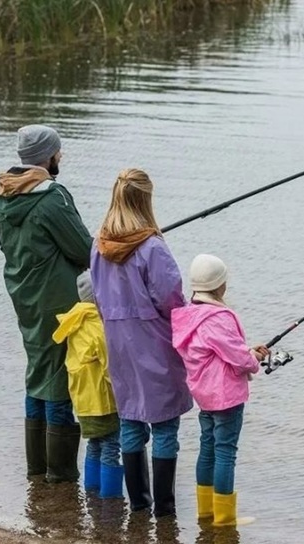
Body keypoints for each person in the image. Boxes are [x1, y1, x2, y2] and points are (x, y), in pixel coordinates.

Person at [90, 168, 193, 518]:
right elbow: (172, 300)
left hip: (118, 342)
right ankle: (164, 511)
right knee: (164, 425)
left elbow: (98, 296)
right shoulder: (152, 248)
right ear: (145, 199)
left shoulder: (98, 245)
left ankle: (138, 506)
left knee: (130, 421)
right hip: (154, 341)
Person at [0, 124, 92, 483]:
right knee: (59, 379)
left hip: (24, 296)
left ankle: (37, 470)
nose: (60, 156)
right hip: (58, 300)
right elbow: (83, 251)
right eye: (58, 151)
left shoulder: (3, 195)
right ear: (48, 156)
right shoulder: (51, 197)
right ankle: (60, 475)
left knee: (37, 373)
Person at [171, 254, 269, 526]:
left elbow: (216, 352)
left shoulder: (188, 316)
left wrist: (247, 352)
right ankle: (224, 517)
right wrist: (253, 358)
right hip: (226, 396)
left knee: (208, 448)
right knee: (225, 451)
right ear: (220, 285)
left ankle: (206, 511)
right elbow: (238, 358)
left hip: (204, 394)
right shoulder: (217, 319)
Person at [52, 271, 123, 499]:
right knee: (111, 446)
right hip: (103, 401)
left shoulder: (75, 322)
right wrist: (126, 393)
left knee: (94, 444)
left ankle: (91, 493)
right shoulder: (97, 327)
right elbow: (110, 368)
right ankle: (111, 499)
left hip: (82, 400)